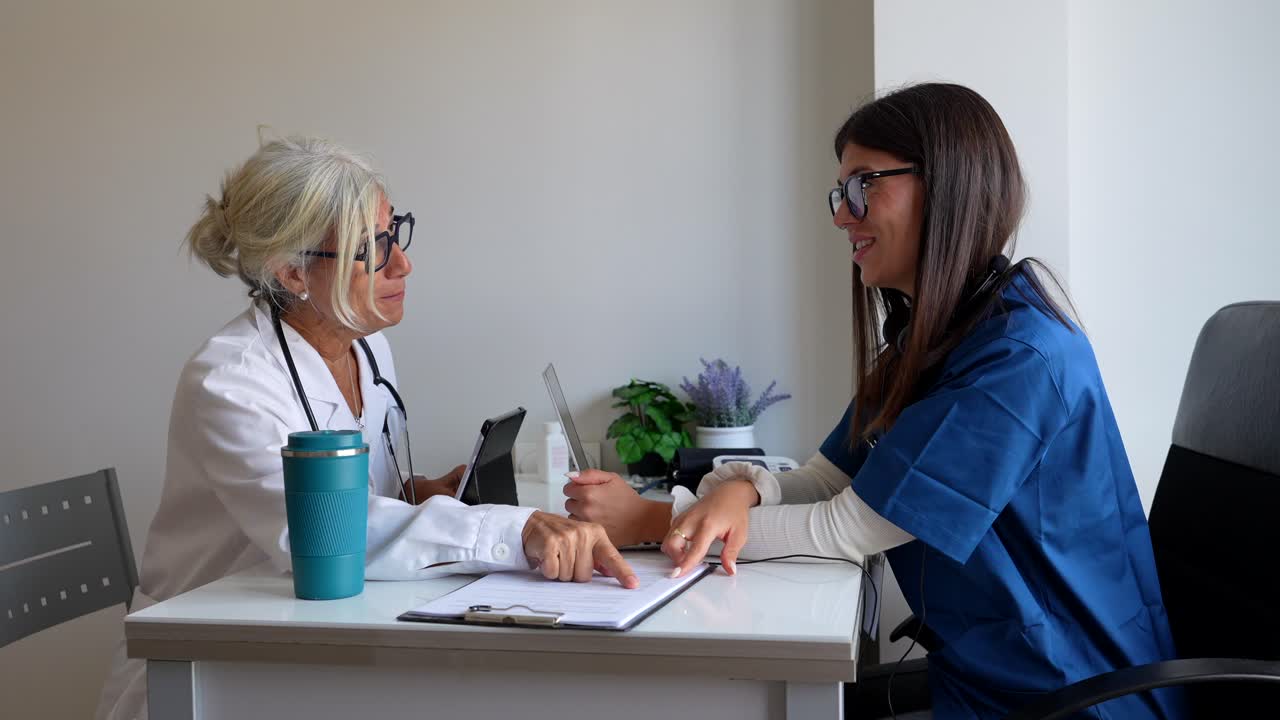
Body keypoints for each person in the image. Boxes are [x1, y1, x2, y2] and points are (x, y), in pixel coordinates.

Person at [565, 84, 1184, 719]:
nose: (841, 215)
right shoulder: (936, 336)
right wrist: (741, 491)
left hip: (1070, 698)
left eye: (864, 185)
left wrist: (649, 520)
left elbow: (847, 529)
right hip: (987, 678)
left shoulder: (1019, 359)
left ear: (948, 185)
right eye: (841, 192)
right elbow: (828, 478)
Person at [96, 136, 636, 720]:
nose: (402, 263)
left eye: (394, 232)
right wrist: (516, 531)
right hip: (208, 667)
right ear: (291, 271)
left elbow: (362, 498)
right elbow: (322, 534)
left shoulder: (367, 347)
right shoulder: (229, 383)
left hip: (322, 636)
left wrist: (420, 492)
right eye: (371, 248)